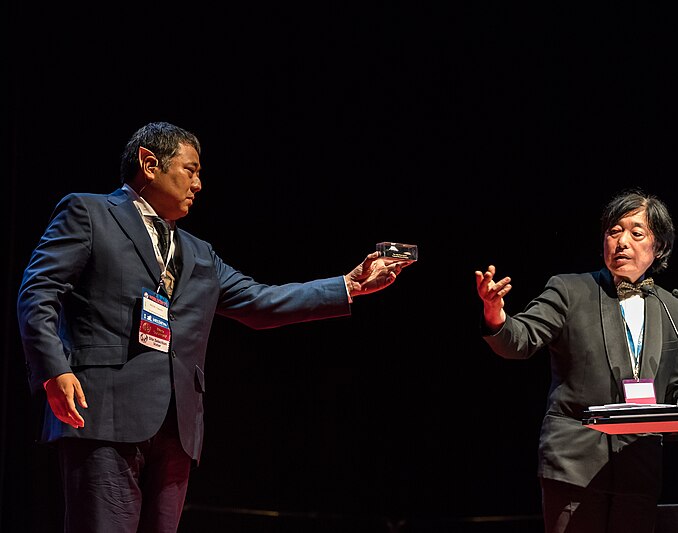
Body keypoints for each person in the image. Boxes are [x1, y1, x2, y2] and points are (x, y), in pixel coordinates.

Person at [17, 121, 412, 533]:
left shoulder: (199, 253)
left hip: (177, 428)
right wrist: (54, 370)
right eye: (191, 170)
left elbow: (261, 302)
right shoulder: (90, 212)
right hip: (103, 414)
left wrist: (348, 285)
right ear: (150, 164)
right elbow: (37, 293)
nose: (199, 184)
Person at [474, 188, 678, 533]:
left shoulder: (675, 308)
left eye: (635, 232)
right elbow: (520, 340)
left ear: (658, 246)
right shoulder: (571, 291)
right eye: (613, 232)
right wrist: (496, 315)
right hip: (574, 465)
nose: (622, 241)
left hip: (639, 466)